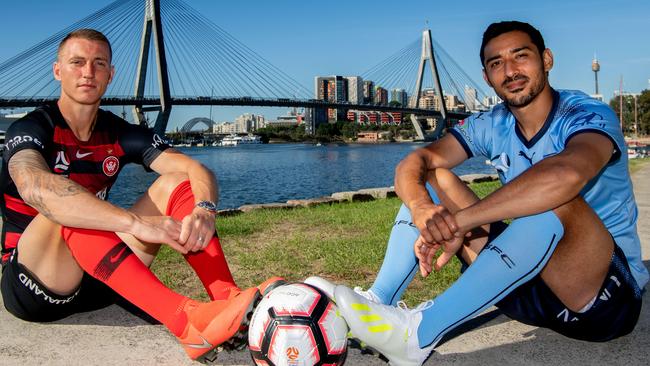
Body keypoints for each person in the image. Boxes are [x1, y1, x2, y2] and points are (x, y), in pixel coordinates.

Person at [306, 21, 647, 366]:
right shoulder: (492, 122)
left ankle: (416, 336)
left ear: (546, 59)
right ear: (486, 77)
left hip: (601, 298)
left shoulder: (585, 113)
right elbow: (416, 160)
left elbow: (567, 174)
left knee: (558, 199)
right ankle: (379, 301)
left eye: (521, 56)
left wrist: (459, 222)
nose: (510, 71)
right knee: (435, 176)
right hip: (527, 283)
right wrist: (424, 208)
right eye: (496, 63)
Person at [0, 29, 281, 364]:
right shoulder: (33, 128)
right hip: (37, 285)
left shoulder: (118, 131)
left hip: (99, 280)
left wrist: (204, 210)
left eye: (98, 63)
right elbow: (35, 186)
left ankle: (227, 297)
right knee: (67, 209)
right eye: (77, 62)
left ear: (110, 74)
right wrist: (135, 224)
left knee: (178, 179)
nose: (88, 71)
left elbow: (197, 171)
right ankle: (186, 321)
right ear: (58, 70)